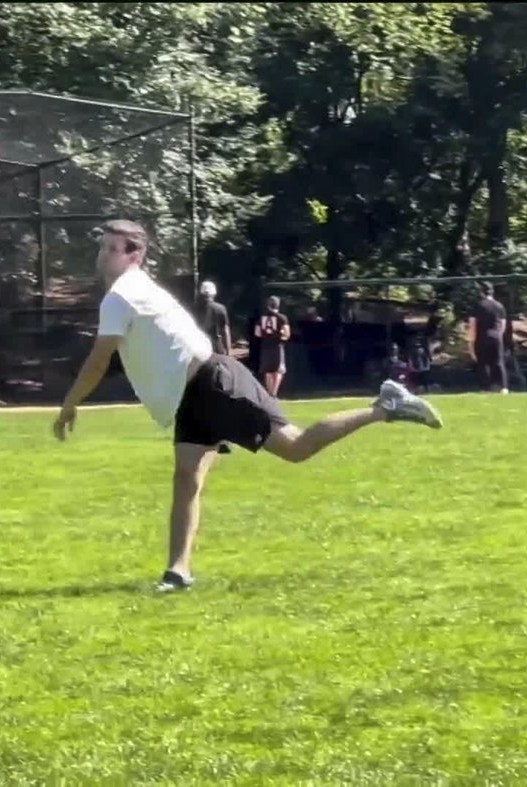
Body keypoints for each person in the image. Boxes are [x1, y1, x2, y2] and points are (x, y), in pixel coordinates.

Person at [51, 220, 443, 593]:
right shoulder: (131, 290)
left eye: (112, 249)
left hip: (214, 384)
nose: (103, 255)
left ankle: (384, 406)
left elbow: (99, 360)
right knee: (186, 477)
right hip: (191, 395)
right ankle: (178, 572)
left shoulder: (121, 294)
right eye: (103, 248)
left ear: (134, 256)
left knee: (296, 447)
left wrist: (70, 403)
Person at [467, 282, 509, 394]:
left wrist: (470, 342)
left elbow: (472, 325)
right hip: (496, 337)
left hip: (482, 337)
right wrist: (498, 335)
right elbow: (503, 325)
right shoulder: (500, 306)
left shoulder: (478, 306)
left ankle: (486, 388)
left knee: (483, 363)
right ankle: (503, 387)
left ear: (481, 292)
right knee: (499, 362)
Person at [253, 295, 291, 396]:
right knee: (278, 371)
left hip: (265, 347)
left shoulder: (262, 318)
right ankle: (274, 393)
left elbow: (257, 333)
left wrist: (266, 336)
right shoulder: (282, 318)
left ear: (268, 305)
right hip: (277, 346)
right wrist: (280, 336)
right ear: (278, 305)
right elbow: (287, 334)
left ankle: (269, 393)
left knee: (268, 371)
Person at [193, 280, 232, 356]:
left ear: (201, 293)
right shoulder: (221, 308)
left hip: (200, 347)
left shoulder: (194, 309)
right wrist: (228, 351)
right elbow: (226, 331)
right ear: (214, 293)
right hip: (217, 347)